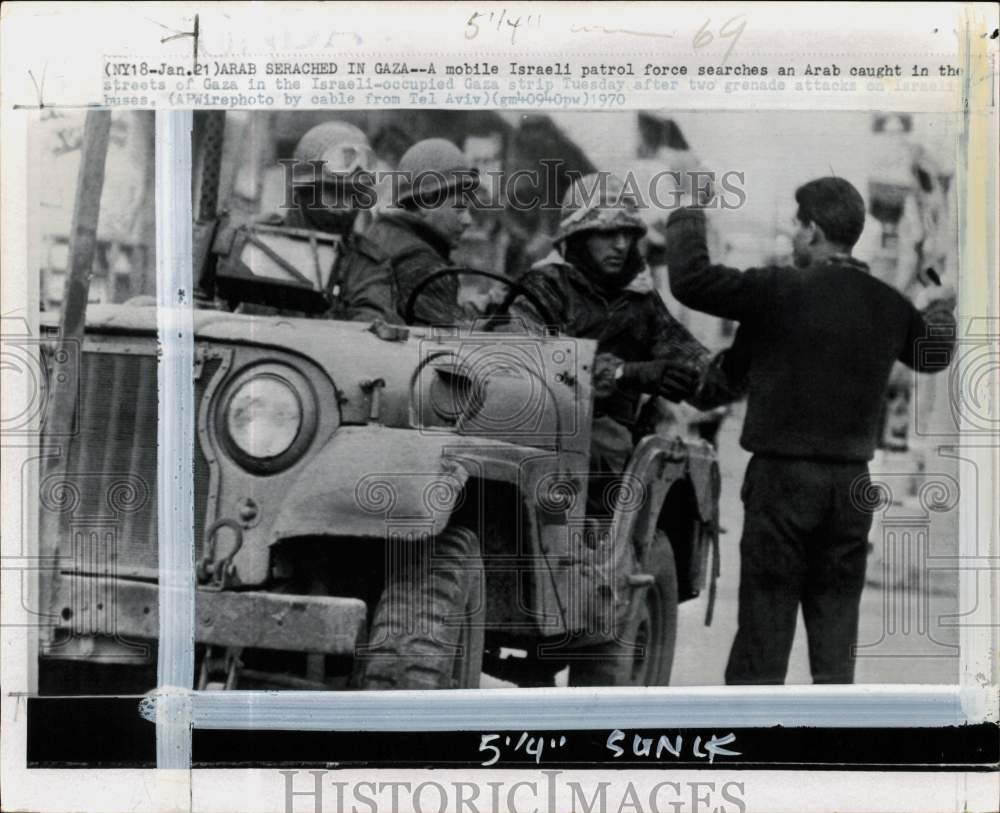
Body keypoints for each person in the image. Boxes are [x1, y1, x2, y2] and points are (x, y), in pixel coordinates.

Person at [664, 176, 957, 684]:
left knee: (763, 640)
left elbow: (690, 280)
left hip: (782, 484)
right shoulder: (888, 304)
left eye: (796, 226)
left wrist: (690, 206)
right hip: (851, 488)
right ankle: (832, 725)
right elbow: (934, 355)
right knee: (835, 647)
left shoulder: (776, 289)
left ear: (814, 230)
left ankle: (755, 730)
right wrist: (940, 307)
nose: (792, 237)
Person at [509, 173, 712, 513]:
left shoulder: (640, 299)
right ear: (578, 236)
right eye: (607, 233)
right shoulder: (543, 287)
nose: (620, 244)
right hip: (552, 452)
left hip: (620, 465)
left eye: (628, 234)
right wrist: (622, 373)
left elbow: (692, 359)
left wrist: (716, 371)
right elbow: (526, 363)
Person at [336, 137, 480, 325]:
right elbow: (449, 338)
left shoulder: (379, 232)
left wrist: (481, 307)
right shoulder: (423, 264)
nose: (468, 221)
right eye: (460, 209)